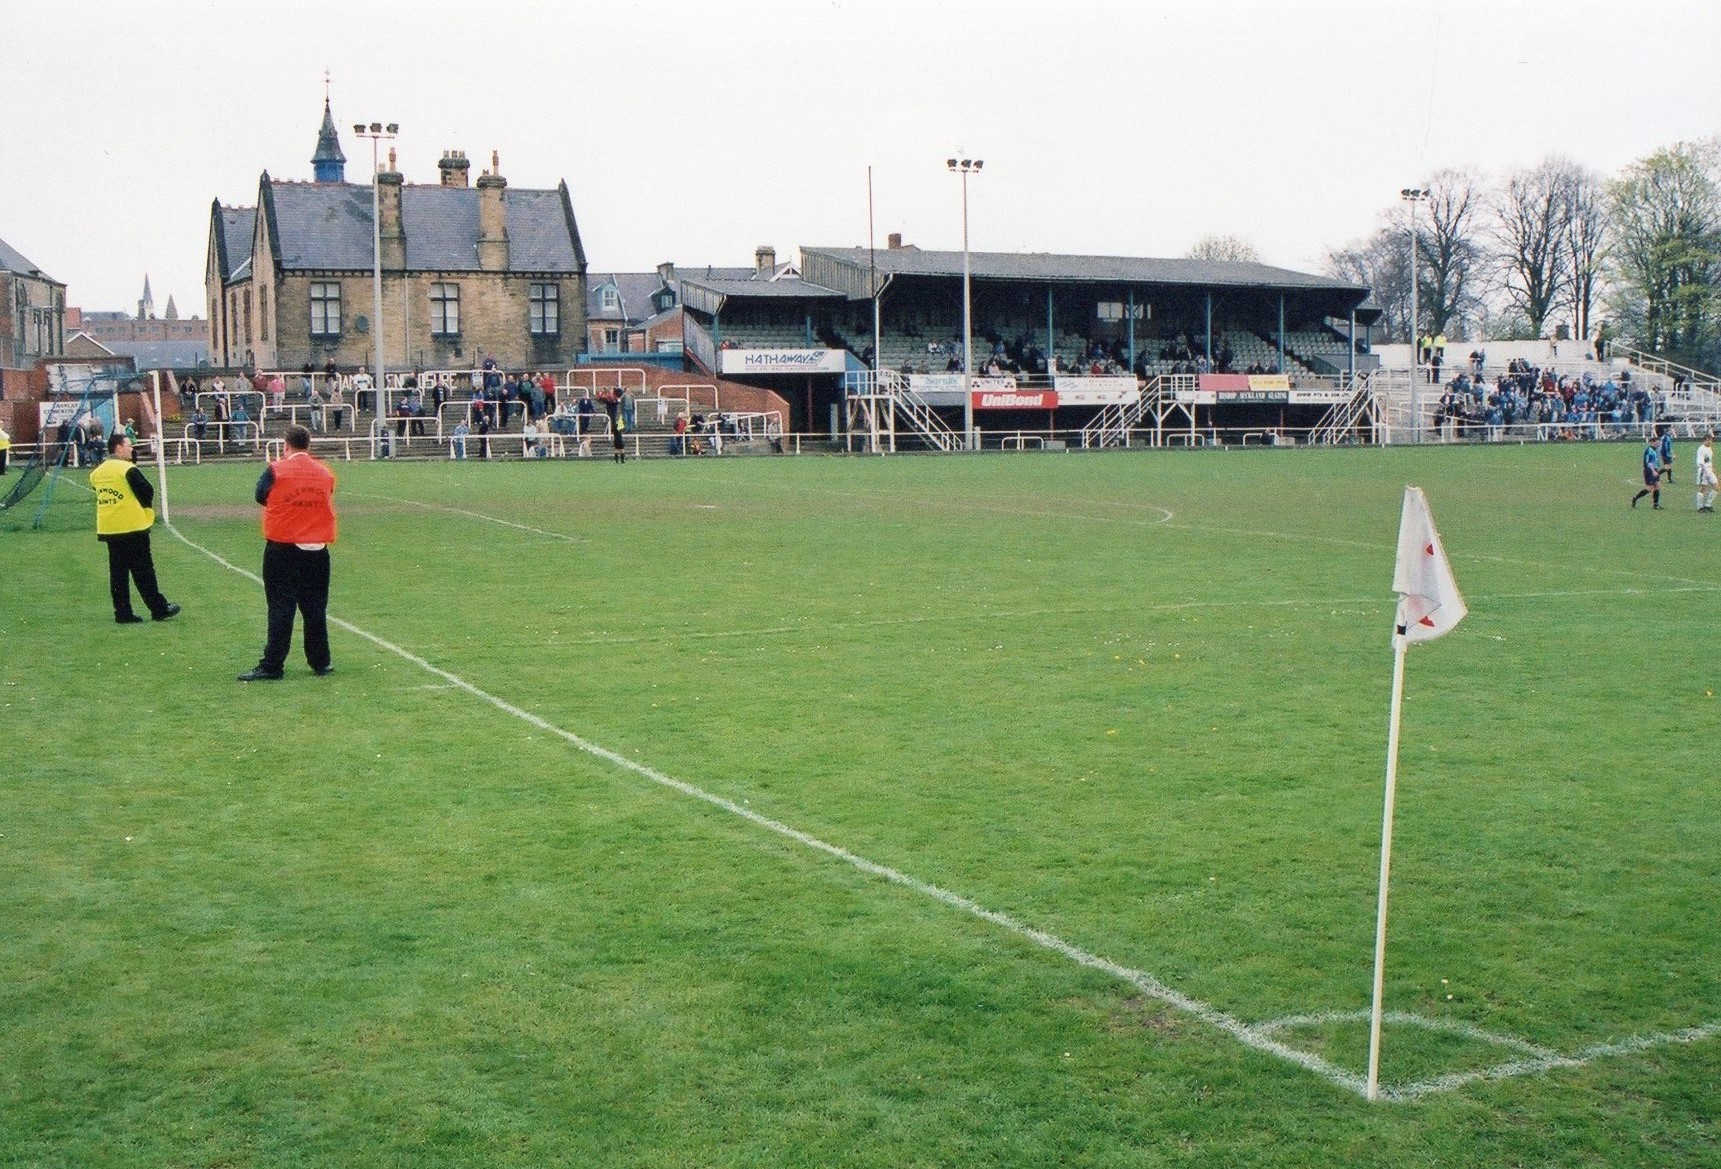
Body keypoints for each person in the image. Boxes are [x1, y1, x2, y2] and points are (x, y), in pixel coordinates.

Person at [239, 425, 337, 681]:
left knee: (281, 606)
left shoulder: (277, 469)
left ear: (286, 445)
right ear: (309, 445)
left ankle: (273, 664)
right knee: (315, 606)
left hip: (283, 547)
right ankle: (321, 661)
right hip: (317, 548)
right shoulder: (325, 472)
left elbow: (261, 495)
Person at [91, 432, 180, 624]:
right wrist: (145, 508)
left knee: (118, 573)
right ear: (119, 448)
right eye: (129, 445)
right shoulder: (127, 469)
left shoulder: (98, 472)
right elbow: (147, 490)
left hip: (110, 527)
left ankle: (122, 613)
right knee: (144, 570)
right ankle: (158, 608)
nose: (132, 449)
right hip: (132, 526)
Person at [1631, 432, 1663, 510]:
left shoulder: (1654, 450)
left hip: (1654, 469)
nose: (1658, 444)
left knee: (1657, 486)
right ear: (1652, 443)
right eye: (1657, 443)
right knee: (1649, 488)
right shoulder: (1649, 450)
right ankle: (1635, 498)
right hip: (1649, 471)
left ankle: (1655, 504)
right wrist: (1653, 471)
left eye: (1659, 443)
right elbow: (1648, 463)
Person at [1695, 434, 1716, 513]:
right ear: (1704, 440)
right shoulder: (1701, 449)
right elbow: (1700, 462)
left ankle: (1708, 505)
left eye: (1710, 440)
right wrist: (1705, 471)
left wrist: (1712, 469)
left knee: (1716, 486)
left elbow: (1709, 460)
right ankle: (1699, 507)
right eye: (1707, 440)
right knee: (1702, 488)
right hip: (1703, 470)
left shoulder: (1710, 449)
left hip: (1709, 470)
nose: (1709, 442)